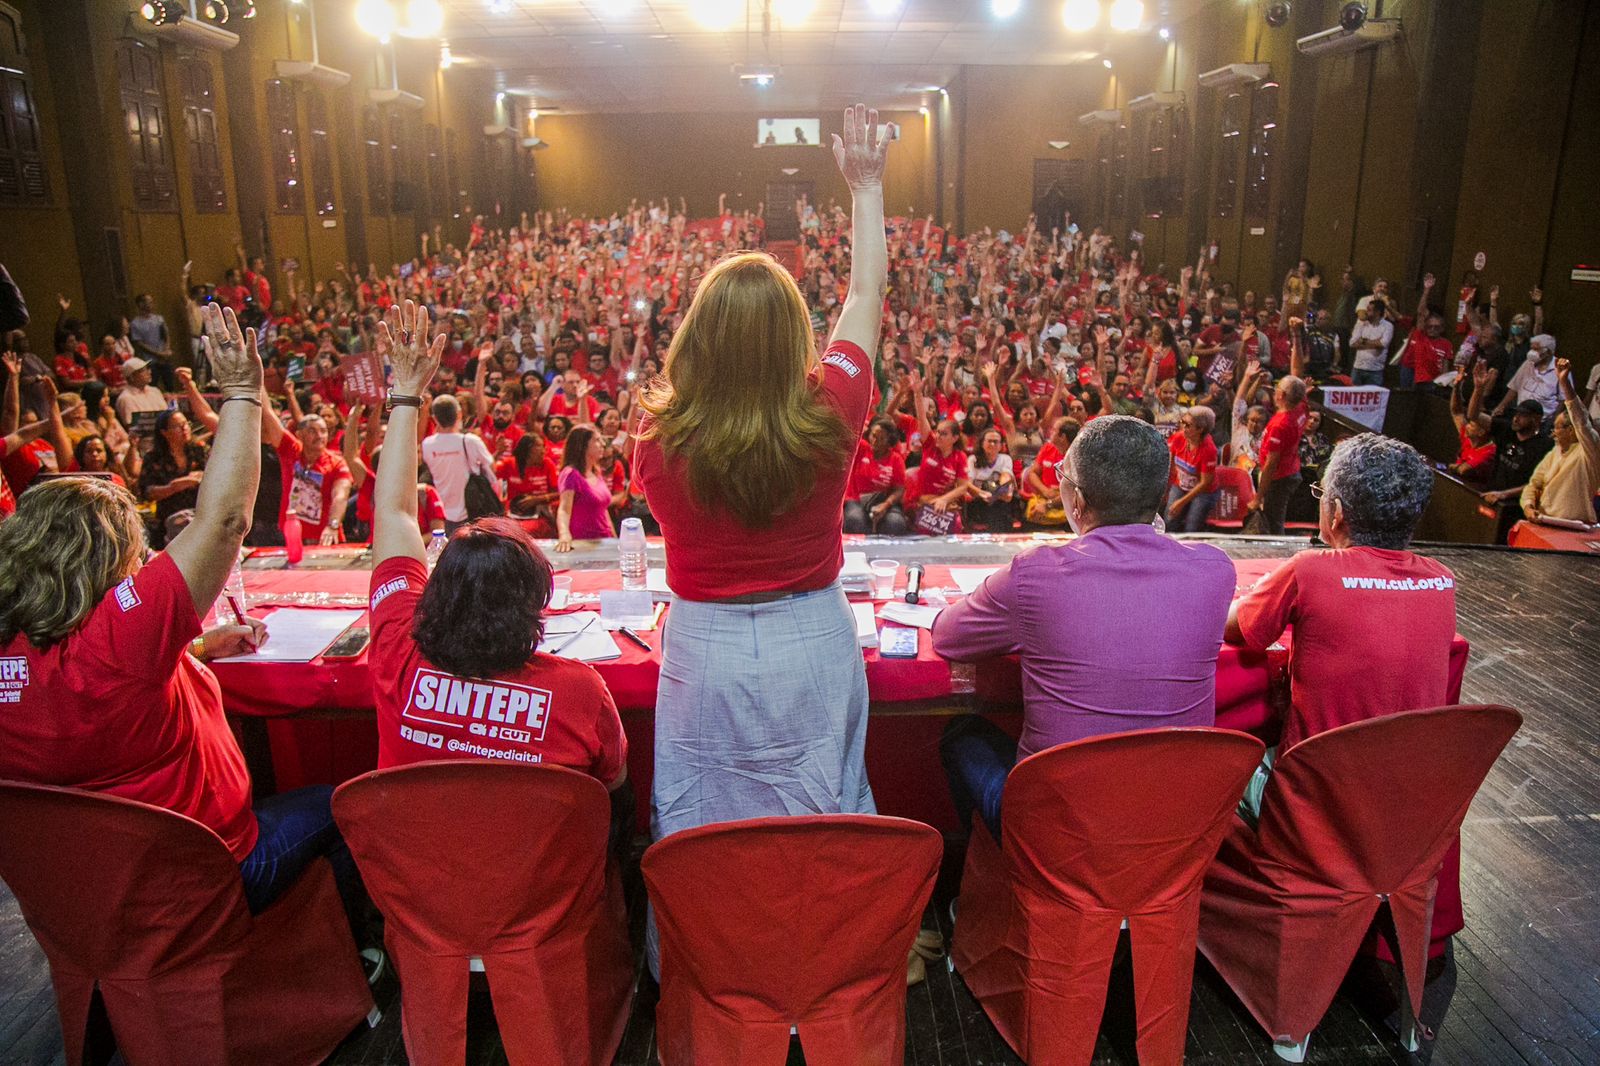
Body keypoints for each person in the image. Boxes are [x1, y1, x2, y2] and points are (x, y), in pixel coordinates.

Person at [0, 302, 372, 952]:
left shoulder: (32, 648)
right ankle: (349, 961)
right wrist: (239, 393)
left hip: (76, 896)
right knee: (347, 806)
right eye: (131, 552)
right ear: (100, 563)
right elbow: (223, 521)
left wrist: (197, 645)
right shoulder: (119, 639)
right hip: (197, 879)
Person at [632, 105, 890, 974]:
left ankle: (712, 974)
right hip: (812, 637)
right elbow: (864, 297)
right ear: (794, 340)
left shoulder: (655, 447)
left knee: (701, 818)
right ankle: (823, 970)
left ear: (697, 339)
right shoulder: (833, 411)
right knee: (821, 811)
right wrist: (866, 189)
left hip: (701, 646)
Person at [362, 301, 629, 802]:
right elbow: (613, 790)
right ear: (533, 604)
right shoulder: (580, 691)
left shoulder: (398, 652)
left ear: (435, 593)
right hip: (541, 876)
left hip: (414, 871)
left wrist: (406, 396)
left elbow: (394, 513)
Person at [933, 416, 1236, 835]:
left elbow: (949, 636)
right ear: (1163, 494)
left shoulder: (1035, 575)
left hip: (1057, 836)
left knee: (961, 735)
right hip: (1174, 830)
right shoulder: (1215, 572)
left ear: (1075, 501)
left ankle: (977, 887)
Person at [1226, 433, 1453, 822]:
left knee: (1220, 773)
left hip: (1312, 803)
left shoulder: (1311, 569)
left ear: (1336, 513)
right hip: (1404, 807)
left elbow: (1238, 631)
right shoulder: (1441, 581)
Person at [1520, 359, 1600, 525]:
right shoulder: (1554, 452)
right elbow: (1533, 485)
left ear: (1571, 431)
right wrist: (1528, 506)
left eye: (1557, 428)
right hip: (1543, 521)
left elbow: (1581, 421)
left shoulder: (1589, 452)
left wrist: (1564, 384)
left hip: (1574, 528)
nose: (1553, 432)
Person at [262, 405, 352, 545]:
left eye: (323, 431)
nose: (319, 436)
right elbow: (268, 414)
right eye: (312, 431)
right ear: (300, 435)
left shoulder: (337, 463)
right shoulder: (290, 450)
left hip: (325, 539)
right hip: (290, 537)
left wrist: (333, 525)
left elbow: (340, 496)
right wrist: (258, 386)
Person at [420, 392, 499, 534]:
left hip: (440, 512)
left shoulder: (427, 444)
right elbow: (491, 468)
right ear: (459, 415)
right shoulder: (470, 441)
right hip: (472, 510)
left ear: (434, 418)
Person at [1247, 374, 1309, 535]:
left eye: (1277, 388)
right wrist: (1296, 347)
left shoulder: (1279, 425)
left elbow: (1271, 464)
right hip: (1292, 468)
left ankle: (1277, 556)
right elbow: (1297, 372)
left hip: (1280, 477)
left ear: (1281, 395)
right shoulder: (1301, 406)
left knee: (1273, 521)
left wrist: (1258, 497)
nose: (1274, 391)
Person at [138, 409, 208, 545]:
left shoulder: (199, 450)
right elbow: (147, 492)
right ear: (164, 433)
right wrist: (173, 487)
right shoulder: (153, 457)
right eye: (177, 426)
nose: (184, 428)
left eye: (186, 424)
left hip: (200, 517)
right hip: (168, 520)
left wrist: (203, 477)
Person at [554, 423, 616, 550]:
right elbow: (564, 510)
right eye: (597, 440)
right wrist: (564, 535)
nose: (603, 444)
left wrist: (615, 540)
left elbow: (604, 511)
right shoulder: (571, 474)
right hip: (584, 545)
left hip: (605, 542)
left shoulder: (596, 472)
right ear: (583, 445)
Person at [843, 417, 908, 535]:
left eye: (881, 438)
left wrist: (885, 505)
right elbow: (847, 433)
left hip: (884, 502)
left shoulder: (896, 459)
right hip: (856, 500)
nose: (875, 441)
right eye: (873, 435)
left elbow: (899, 489)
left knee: (895, 524)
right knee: (855, 521)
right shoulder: (861, 448)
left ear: (890, 442)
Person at [1166, 405, 1219, 532]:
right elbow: (1171, 465)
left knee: (1191, 527)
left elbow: (1205, 483)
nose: (1183, 427)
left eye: (1188, 425)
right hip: (1180, 484)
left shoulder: (1209, 450)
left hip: (1203, 491)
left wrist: (1181, 502)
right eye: (1182, 422)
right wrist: (1166, 490)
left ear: (1200, 429)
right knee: (1169, 520)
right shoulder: (1178, 438)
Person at [1348, 298, 1392, 387]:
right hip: (1358, 368)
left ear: (1377, 312)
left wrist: (1363, 341)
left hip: (1375, 370)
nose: (1365, 312)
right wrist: (1375, 343)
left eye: (1369, 310)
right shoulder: (1361, 324)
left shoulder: (1387, 326)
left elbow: (1383, 344)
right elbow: (1352, 343)